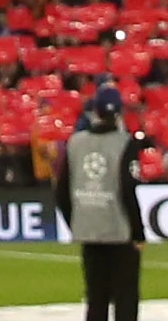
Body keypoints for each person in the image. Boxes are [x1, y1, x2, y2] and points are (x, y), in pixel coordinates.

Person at [62, 86, 145, 321]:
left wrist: (77, 220)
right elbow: (128, 190)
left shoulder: (75, 143)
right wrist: (138, 233)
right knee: (125, 297)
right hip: (119, 231)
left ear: (94, 111)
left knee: (96, 299)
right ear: (118, 113)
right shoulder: (125, 144)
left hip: (89, 229)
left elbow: (61, 191)